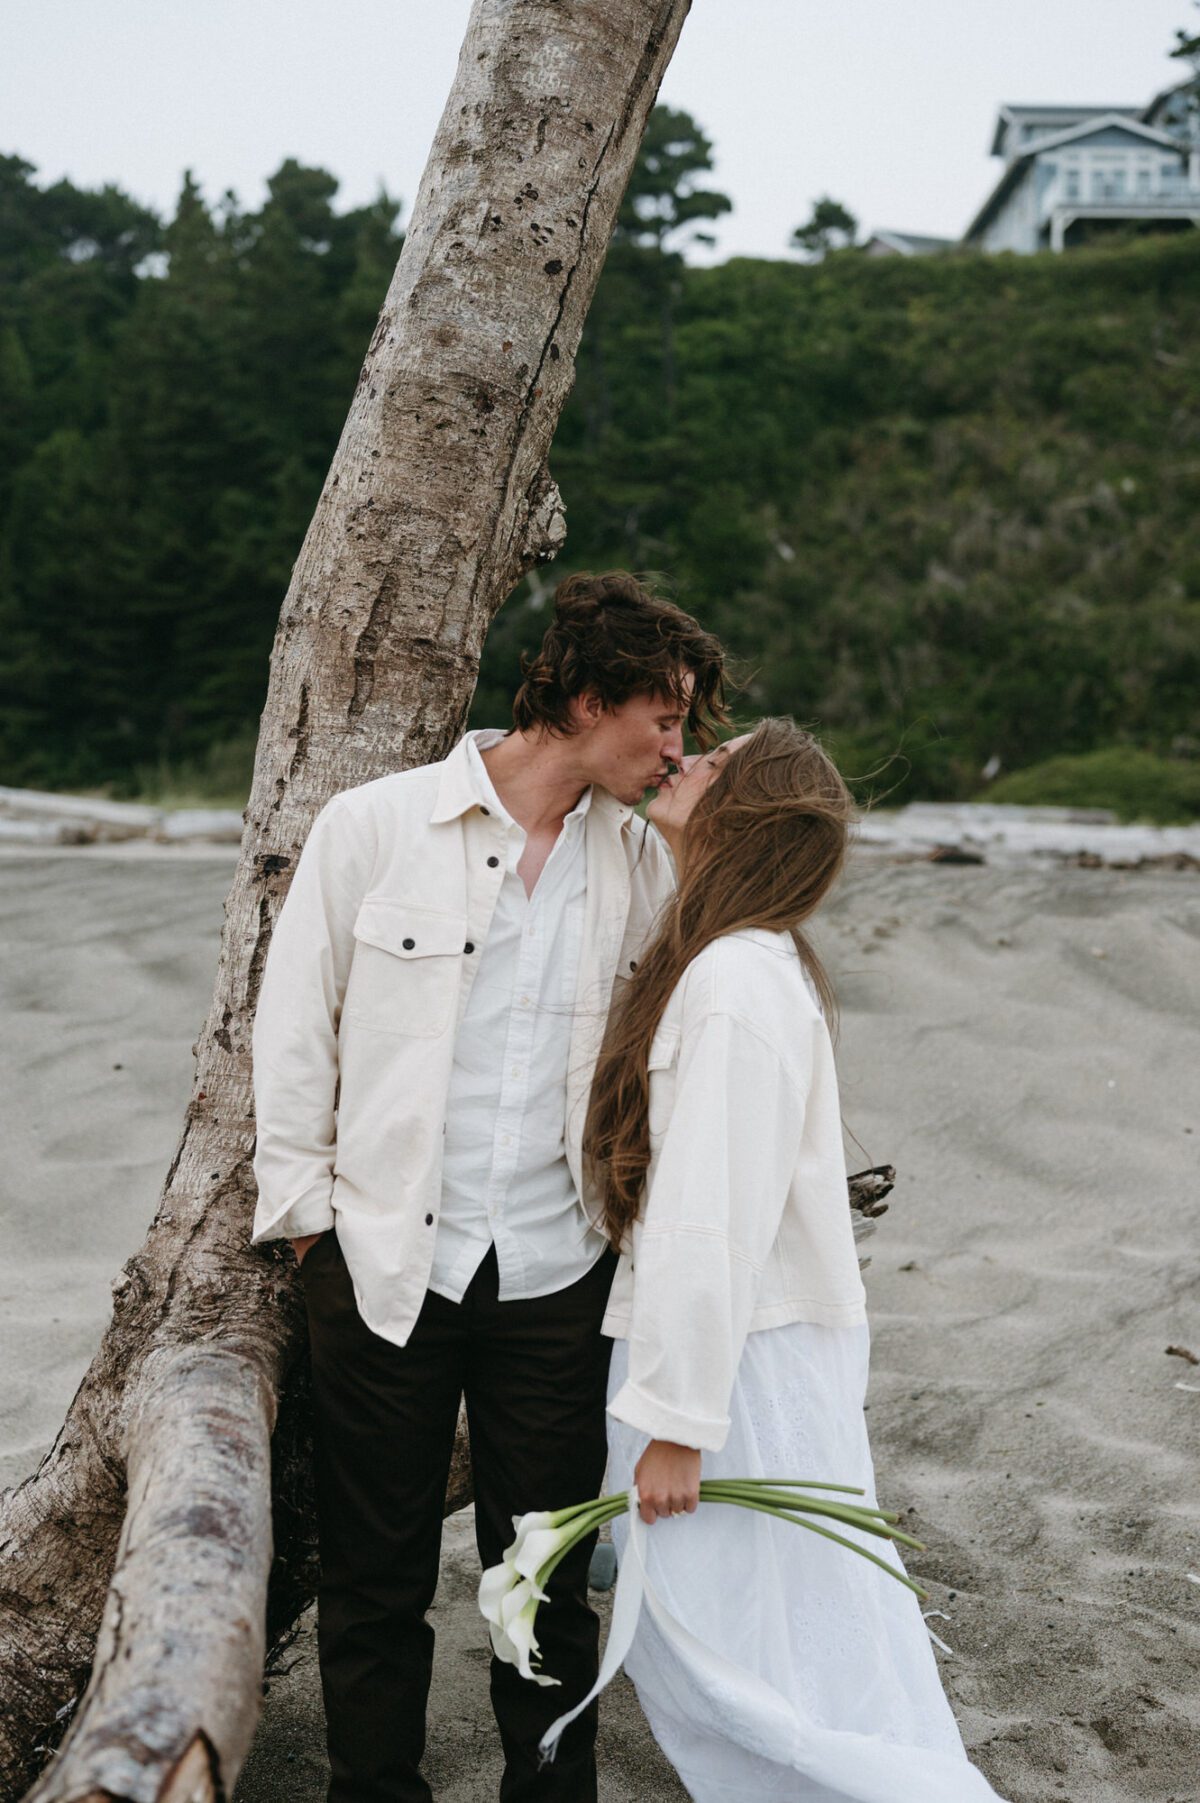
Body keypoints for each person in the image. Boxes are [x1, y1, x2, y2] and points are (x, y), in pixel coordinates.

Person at [249, 569, 725, 1803]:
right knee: (376, 1571)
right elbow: (296, 1025)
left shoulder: (644, 860)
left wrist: (689, 836)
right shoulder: (378, 825)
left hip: (561, 1270)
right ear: (580, 696)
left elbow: (711, 1015)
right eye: (662, 719)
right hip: (384, 1268)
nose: (679, 748)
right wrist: (310, 1230)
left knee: (551, 1570)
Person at [586, 718, 1005, 1803]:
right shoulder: (740, 960)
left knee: (729, 1654)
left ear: (748, 816)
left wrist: (677, 1423)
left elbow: (710, 1220)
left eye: (716, 765)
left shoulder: (735, 978)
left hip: (739, 1366)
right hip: (752, 1355)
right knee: (779, 1632)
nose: (686, 760)